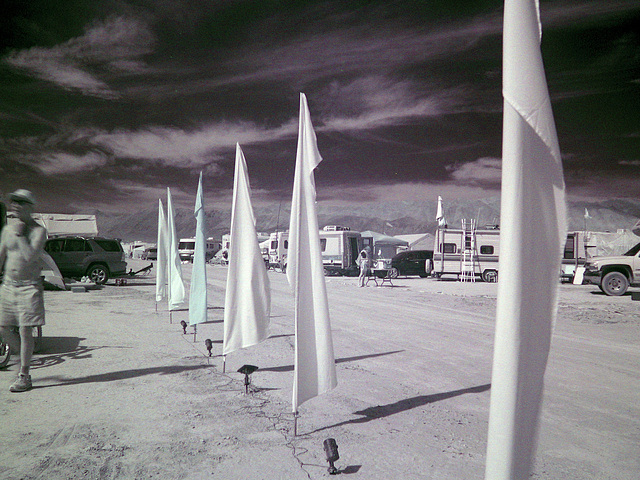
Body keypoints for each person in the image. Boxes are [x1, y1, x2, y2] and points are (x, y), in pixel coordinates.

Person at [0, 189, 47, 392]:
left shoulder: (39, 231)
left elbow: (30, 256)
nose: (15, 205)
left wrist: (20, 234)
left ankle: (24, 375)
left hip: (29, 286)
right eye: (13, 201)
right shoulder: (7, 230)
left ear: (30, 207)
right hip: (9, 285)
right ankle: (25, 354)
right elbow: (1, 255)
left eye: (20, 202)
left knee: (25, 329)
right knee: (2, 327)